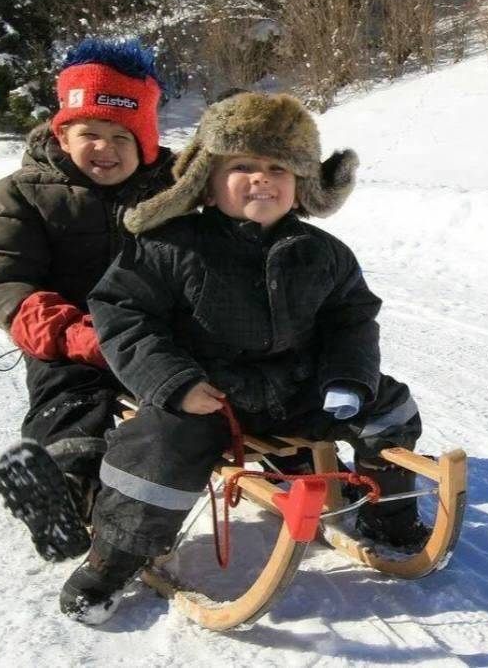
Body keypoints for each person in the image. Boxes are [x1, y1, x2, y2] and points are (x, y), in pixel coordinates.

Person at [63, 91, 427, 624]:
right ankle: (114, 557)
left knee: (392, 406)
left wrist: (349, 379)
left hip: (301, 390)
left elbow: (351, 319)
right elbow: (123, 312)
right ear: (207, 179)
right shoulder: (172, 244)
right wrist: (174, 382)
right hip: (209, 397)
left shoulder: (324, 253)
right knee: (159, 446)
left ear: (301, 183)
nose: (263, 179)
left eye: (278, 167)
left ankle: (387, 515)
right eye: (243, 166)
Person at [0, 38, 174, 563]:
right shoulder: (26, 193)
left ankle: (301, 465)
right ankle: (64, 488)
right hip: (71, 335)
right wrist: (68, 333)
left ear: (147, 143)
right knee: (71, 395)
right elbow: (3, 279)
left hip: (157, 334)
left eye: (120, 137)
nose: (103, 148)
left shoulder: (173, 193)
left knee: (233, 378)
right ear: (63, 134)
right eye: (89, 133)